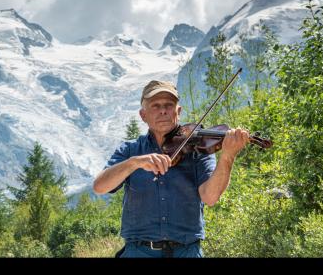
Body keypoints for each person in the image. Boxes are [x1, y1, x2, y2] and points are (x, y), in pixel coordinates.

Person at [93, 80, 249, 258]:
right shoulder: (130, 150)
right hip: (138, 251)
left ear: (178, 111)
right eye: (155, 106)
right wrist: (134, 163)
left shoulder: (198, 148)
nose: (163, 111)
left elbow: (211, 197)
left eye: (169, 105)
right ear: (143, 115)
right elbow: (100, 187)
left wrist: (228, 156)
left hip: (187, 250)